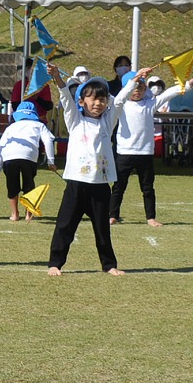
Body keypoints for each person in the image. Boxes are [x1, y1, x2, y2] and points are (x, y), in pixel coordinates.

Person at [47, 67, 124, 276]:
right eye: (93, 99)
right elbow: (65, 99)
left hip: (100, 186)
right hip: (76, 183)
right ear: (81, 101)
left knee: (102, 230)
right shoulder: (75, 121)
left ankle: (109, 265)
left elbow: (119, 102)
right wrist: (57, 78)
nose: (98, 104)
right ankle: (55, 263)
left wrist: (135, 80)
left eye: (102, 99)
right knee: (65, 226)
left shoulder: (107, 124)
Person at [110, 67, 176, 226]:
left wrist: (187, 85)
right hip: (124, 153)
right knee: (119, 186)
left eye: (140, 87)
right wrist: (134, 80)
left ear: (145, 88)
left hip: (145, 153)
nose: (137, 91)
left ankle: (151, 217)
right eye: (133, 88)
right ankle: (112, 215)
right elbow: (120, 98)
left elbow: (169, 94)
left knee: (147, 188)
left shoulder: (150, 104)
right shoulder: (120, 105)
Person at [0, 100, 56, 220]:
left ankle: (15, 214)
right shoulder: (39, 125)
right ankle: (29, 214)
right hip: (29, 156)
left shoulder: (11, 127)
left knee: (12, 184)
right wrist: (51, 161)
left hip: (9, 156)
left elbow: (1, 147)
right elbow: (48, 141)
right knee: (29, 183)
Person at [11, 57, 54, 123]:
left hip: (39, 120)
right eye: (29, 68)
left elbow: (48, 106)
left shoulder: (43, 86)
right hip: (21, 119)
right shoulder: (19, 85)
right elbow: (14, 105)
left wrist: (37, 98)